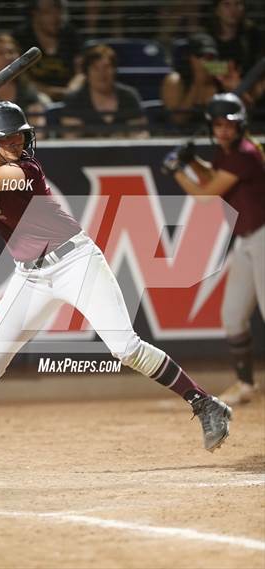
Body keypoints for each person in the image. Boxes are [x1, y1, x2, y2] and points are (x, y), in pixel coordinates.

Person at [0, 100, 233, 477]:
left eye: (20, 135)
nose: (16, 142)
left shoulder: (21, 170)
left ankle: (205, 403)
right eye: (7, 138)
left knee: (124, 347)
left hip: (75, 262)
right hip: (30, 275)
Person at [161, 92, 265, 405]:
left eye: (229, 124)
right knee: (233, 314)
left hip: (263, 237)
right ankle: (246, 384)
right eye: (217, 124)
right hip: (246, 239)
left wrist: (177, 169)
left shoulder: (245, 154)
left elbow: (206, 194)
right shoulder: (227, 153)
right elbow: (216, 177)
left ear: (241, 125)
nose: (223, 130)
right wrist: (192, 160)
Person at [61, 44, 149, 139]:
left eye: (106, 67)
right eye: (95, 68)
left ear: (114, 70)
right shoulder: (74, 100)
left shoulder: (129, 96)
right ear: (87, 72)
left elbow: (140, 134)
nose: (101, 73)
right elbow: (71, 138)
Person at [161, 32, 240, 130]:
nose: (206, 61)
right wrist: (196, 84)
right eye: (201, 56)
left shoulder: (223, 79)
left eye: (210, 57)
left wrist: (233, 90)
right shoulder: (175, 81)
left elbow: (244, 116)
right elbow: (177, 121)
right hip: (182, 136)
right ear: (190, 58)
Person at [13, 0, 82, 101]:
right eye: (48, 12)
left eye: (59, 11)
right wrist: (49, 92)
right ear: (35, 14)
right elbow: (19, 76)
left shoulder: (70, 34)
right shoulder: (21, 37)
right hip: (33, 97)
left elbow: (81, 72)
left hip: (69, 96)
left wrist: (70, 90)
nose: (56, 17)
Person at [207, 0, 264, 75]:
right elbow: (205, 69)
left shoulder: (254, 36)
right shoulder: (206, 40)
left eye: (238, 4)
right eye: (226, 4)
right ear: (217, 10)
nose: (233, 10)